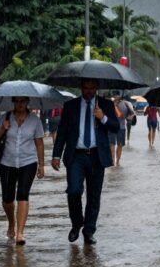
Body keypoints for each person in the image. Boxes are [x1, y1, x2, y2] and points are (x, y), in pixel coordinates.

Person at [51, 79, 119, 245]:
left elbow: (115, 127)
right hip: (76, 156)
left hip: (97, 155)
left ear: (97, 88)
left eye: (92, 88)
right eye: (86, 88)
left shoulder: (105, 105)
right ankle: (76, 223)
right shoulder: (71, 106)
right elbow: (63, 132)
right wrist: (56, 155)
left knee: (94, 196)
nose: (89, 91)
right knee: (74, 190)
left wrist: (102, 117)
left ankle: (89, 231)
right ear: (81, 88)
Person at [0, 97, 45, 246]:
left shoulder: (35, 120)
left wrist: (41, 165)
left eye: (23, 101)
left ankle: (20, 232)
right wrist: (3, 128)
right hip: (7, 162)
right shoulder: (5, 117)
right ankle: (11, 223)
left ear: (28, 102)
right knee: (7, 199)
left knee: (23, 194)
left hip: (28, 162)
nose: (20, 104)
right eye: (17, 101)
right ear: (13, 102)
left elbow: (39, 143)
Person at [107, 96, 130, 165]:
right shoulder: (126, 104)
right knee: (117, 144)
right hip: (120, 127)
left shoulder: (110, 105)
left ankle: (114, 161)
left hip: (114, 127)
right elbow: (127, 117)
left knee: (113, 144)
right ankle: (116, 162)